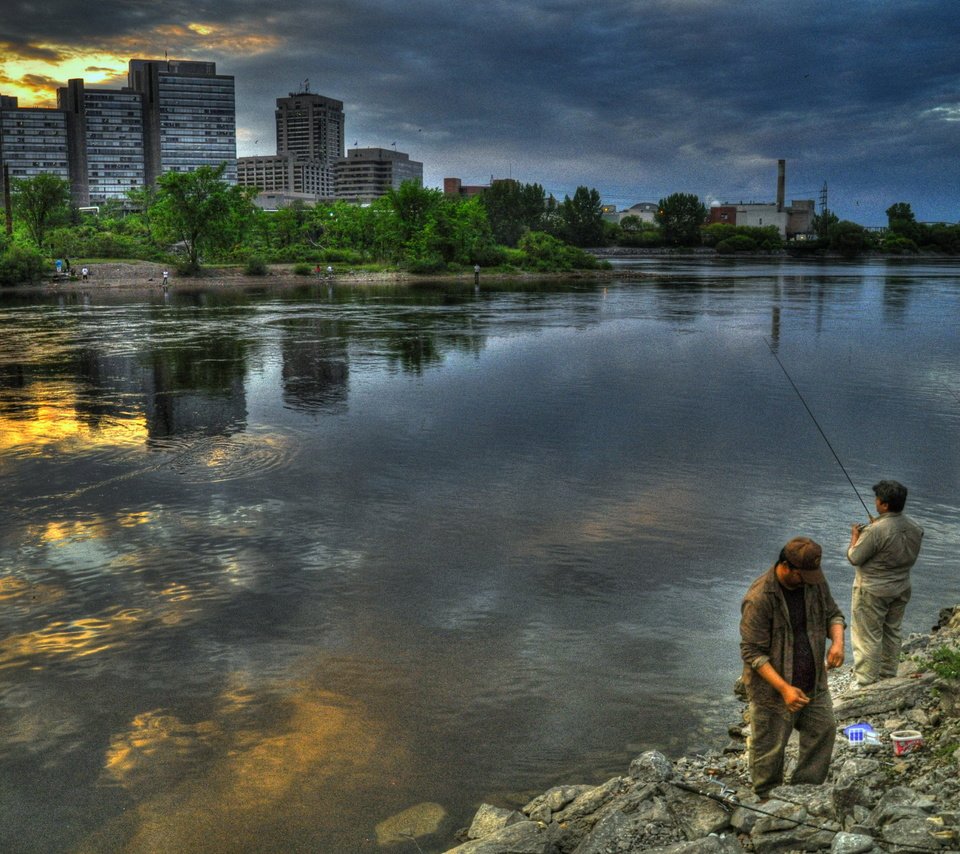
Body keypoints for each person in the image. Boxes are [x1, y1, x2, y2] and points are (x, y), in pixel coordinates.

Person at [740, 537, 846, 799]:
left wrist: (838, 643)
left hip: (814, 684)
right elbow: (752, 652)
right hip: (773, 692)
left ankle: (805, 792)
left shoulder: (814, 582)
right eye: (803, 575)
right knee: (769, 750)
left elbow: (834, 614)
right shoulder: (760, 598)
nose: (809, 581)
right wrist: (785, 689)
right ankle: (766, 799)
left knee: (823, 730)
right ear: (785, 566)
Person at [847, 480, 923, 687]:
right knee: (892, 630)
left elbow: (854, 557)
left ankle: (865, 681)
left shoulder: (874, 531)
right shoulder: (916, 528)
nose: (875, 502)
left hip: (873, 590)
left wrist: (856, 536)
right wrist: (876, 527)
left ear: (884, 505)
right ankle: (888, 674)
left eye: (878, 499)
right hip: (901, 587)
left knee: (867, 636)